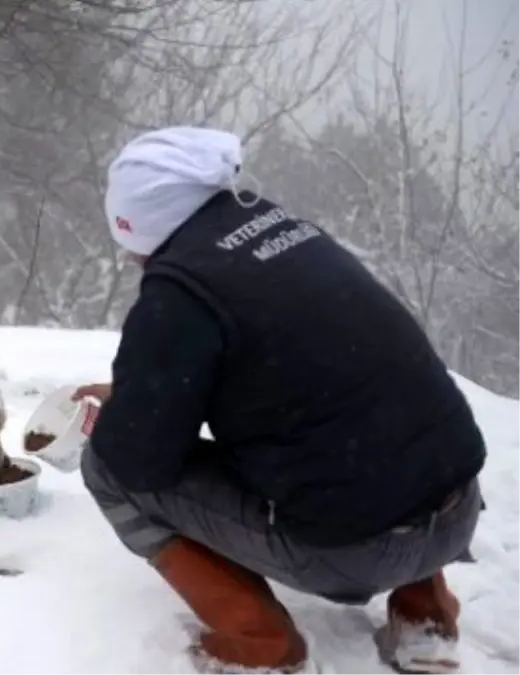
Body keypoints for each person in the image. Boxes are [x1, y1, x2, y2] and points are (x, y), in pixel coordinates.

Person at [75, 126, 486, 675]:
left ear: (141, 226)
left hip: (355, 547)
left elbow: (139, 461)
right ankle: (424, 618)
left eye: (129, 248)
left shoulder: (180, 294)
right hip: (457, 505)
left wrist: (126, 417)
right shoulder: (287, 233)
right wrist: (141, 395)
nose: (131, 260)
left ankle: (260, 645)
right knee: (374, 430)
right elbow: (302, 374)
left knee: (106, 466)